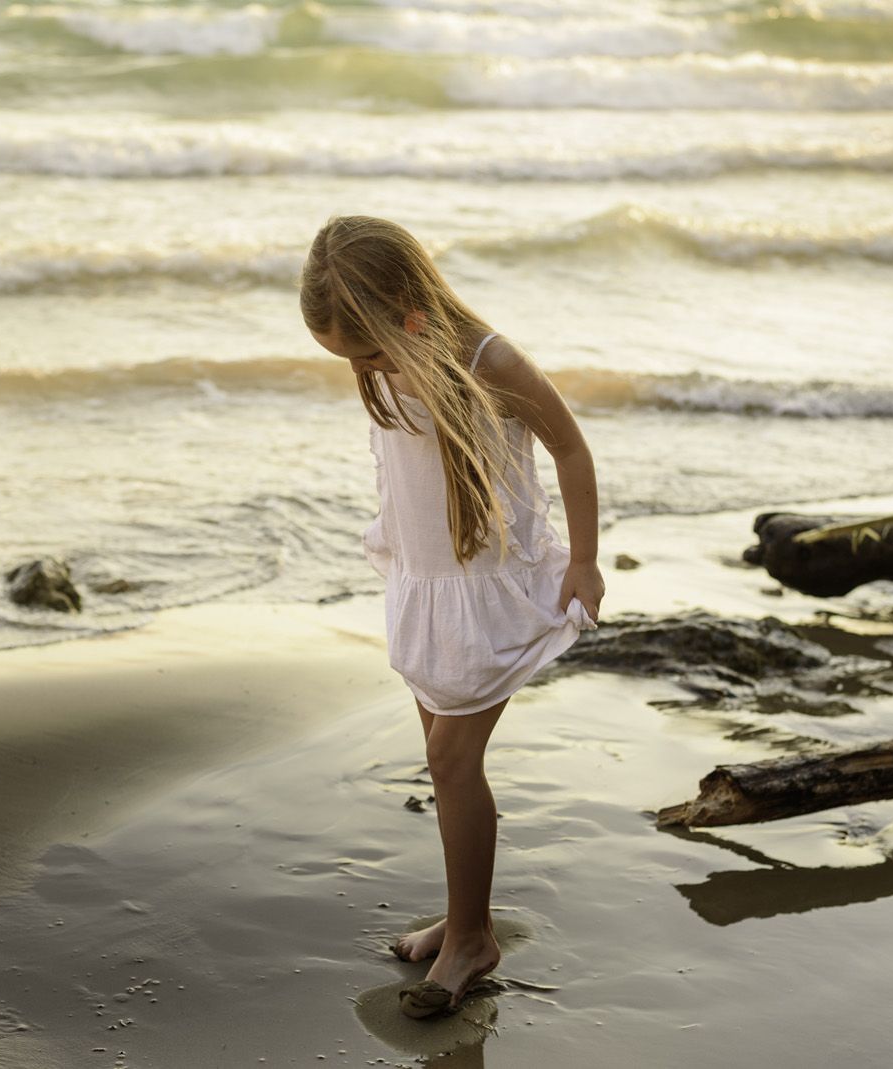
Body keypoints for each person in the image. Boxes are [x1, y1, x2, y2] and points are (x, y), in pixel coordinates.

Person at [300, 215, 604, 1019]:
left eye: (367, 354)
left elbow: (571, 447)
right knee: (446, 765)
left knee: (450, 760)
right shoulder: (394, 356)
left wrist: (583, 559)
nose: (363, 370)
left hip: (489, 592)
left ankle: (472, 939)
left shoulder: (489, 362)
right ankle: (464, 919)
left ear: (408, 316)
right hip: (426, 582)